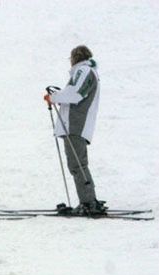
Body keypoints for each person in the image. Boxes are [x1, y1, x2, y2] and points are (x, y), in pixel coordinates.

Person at [44, 45, 105, 214]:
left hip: (75, 124)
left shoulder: (83, 71)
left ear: (75, 57)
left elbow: (75, 94)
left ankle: (88, 202)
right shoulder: (87, 72)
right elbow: (74, 93)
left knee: (77, 164)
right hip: (75, 124)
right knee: (78, 164)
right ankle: (89, 200)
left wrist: (53, 97)